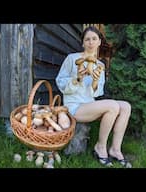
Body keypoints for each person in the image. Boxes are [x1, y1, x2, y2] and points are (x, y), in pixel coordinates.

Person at [55, 26, 132, 168]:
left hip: (89, 105)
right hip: (74, 107)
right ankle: (100, 147)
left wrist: (95, 81)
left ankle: (115, 149)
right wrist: (77, 78)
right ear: (83, 43)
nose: (90, 42)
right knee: (112, 106)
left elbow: (96, 94)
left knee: (126, 106)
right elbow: (60, 82)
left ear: (99, 42)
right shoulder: (72, 59)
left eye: (94, 39)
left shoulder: (100, 65)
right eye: (87, 39)